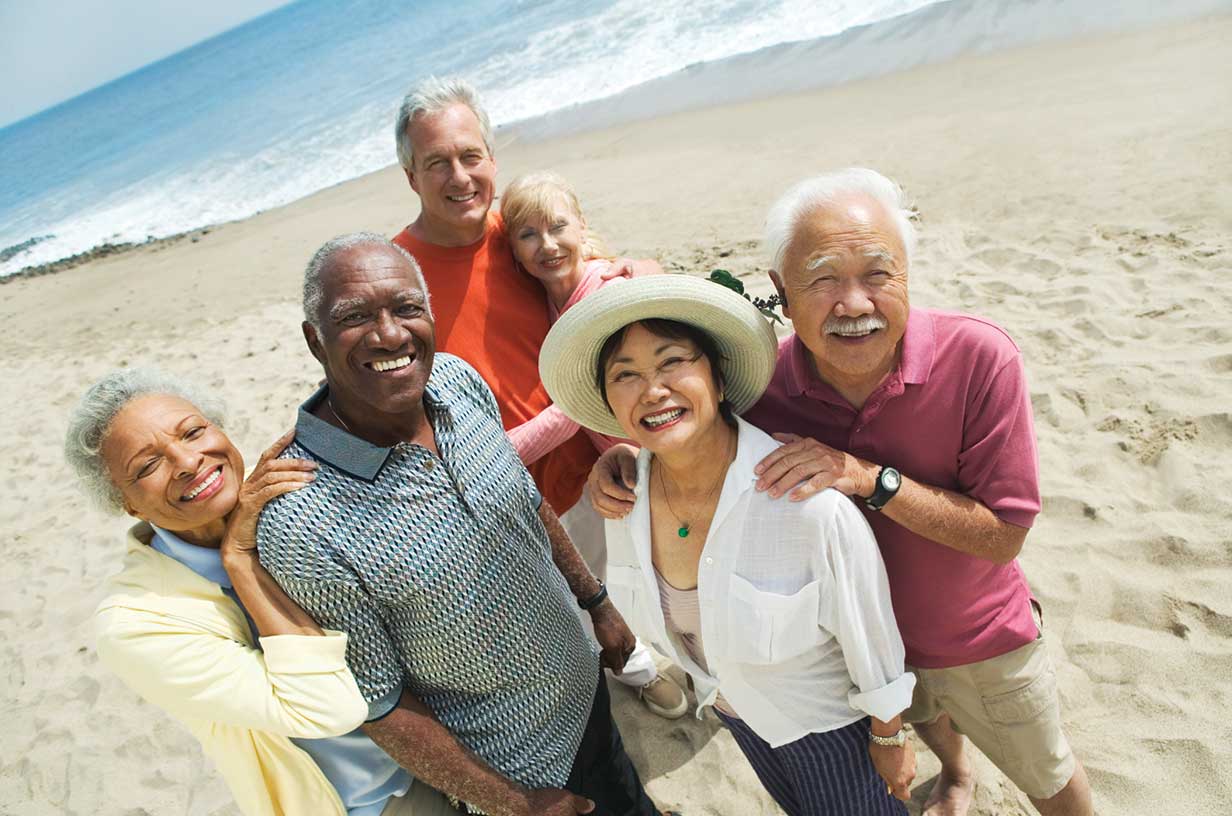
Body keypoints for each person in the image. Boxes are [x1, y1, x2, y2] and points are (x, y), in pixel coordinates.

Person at [588, 169, 1094, 816]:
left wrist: (866, 478)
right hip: (852, 650)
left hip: (977, 638)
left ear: (907, 272)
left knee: (1049, 776)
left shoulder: (979, 357)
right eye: (824, 279)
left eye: (878, 274)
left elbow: (1004, 536)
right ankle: (959, 775)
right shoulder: (763, 390)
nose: (853, 303)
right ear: (782, 292)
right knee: (933, 737)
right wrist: (629, 458)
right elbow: (693, 430)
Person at [255, 233, 673, 816]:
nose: (389, 335)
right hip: (524, 767)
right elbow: (380, 704)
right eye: (355, 317)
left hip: (588, 692)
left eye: (406, 309)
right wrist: (516, 802)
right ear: (313, 340)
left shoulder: (455, 380)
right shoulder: (298, 518)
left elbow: (525, 504)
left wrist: (596, 602)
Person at [538, 274, 917, 816]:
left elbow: (870, 635)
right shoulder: (623, 501)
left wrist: (889, 736)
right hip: (739, 718)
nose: (653, 390)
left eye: (673, 362)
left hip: (829, 728)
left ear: (717, 378)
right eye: (626, 375)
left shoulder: (806, 506)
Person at [391, 77, 685, 719]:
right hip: (501, 494)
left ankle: (633, 663)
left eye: (471, 156)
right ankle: (601, 689)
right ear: (411, 176)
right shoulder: (398, 272)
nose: (459, 176)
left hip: (590, 463)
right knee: (559, 622)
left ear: (492, 161)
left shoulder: (519, 231)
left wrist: (640, 271)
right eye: (436, 162)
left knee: (615, 581)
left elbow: (595, 268)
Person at [66, 368, 452, 816]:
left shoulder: (293, 493)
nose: (189, 462)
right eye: (148, 465)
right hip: (380, 802)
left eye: (193, 432)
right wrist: (241, 560)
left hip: (463, 737)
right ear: (126, 503)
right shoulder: (136, 624)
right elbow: (328, 709)